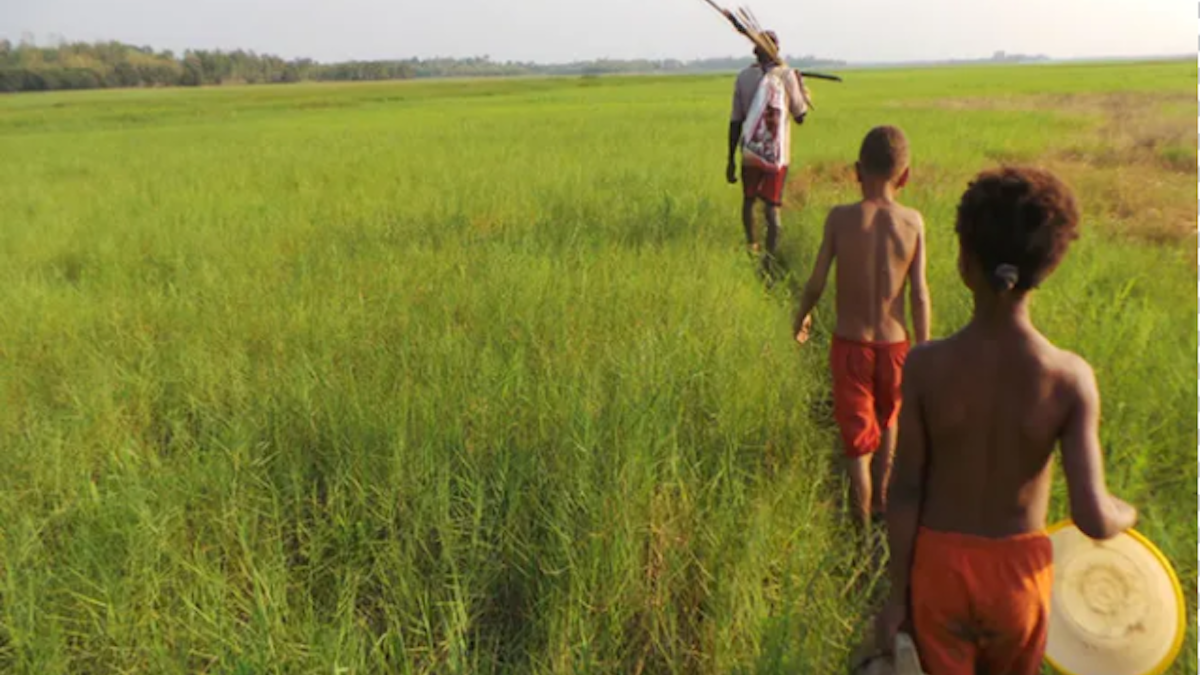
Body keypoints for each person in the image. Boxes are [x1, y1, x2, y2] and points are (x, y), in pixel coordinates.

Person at [874, 166, 1138, 674]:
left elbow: (903, 491)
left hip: (939, 570)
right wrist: (1128, 512)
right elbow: (1094, 518)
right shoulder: (1069, 379)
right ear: (1048, 267)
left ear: (964, 261)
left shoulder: (926, 366)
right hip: (1019, 579)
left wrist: (896, 597)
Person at [793, 125, 930, 530]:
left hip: (851, 346)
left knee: (857, 446)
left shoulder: (840, 219)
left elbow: (817, 281)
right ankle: (882, 503)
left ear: (857, 171)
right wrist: (924, 350)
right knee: (889, 422)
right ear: (905, 176)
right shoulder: (913, 222)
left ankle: (863, 529)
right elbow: (920, 294)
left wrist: (801, 315)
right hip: (896, 346)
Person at [726, 30, 809, 260]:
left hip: (750, 151)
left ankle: (751, 246)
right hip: (776, 154)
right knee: (772, 206)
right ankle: (770, 258)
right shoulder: (786, 75)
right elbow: (800, 116)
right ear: (776, 50)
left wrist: (730, 159)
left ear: (755, 50)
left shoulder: (744, 77)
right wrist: (801, 88)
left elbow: (735, 122)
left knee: (749, 200)